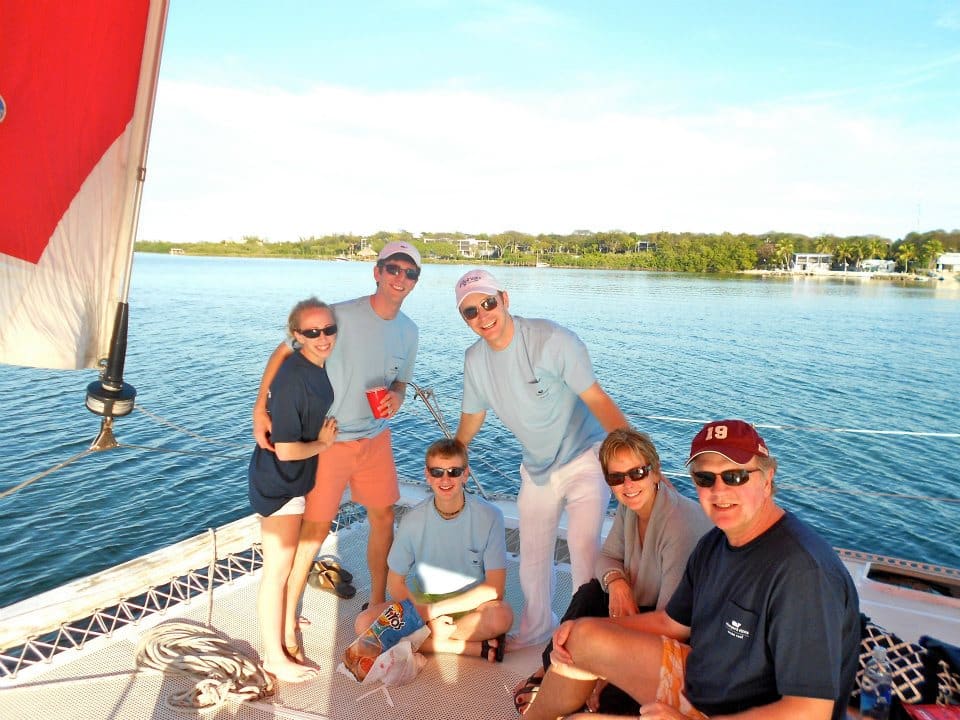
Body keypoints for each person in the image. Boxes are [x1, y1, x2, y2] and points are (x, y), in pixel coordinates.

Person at [521, 419, 861, 720]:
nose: (719, 490)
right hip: (699, 681)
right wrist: (587, 626)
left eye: (736, 476)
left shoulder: (803, 572)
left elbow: (811, 711)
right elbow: (671, 622)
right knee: (581, 636)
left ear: (768, 478)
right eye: (705, 477)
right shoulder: (714, 545)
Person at [452, 268, 630, 648]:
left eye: (488, 303)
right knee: (532, 553)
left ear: (505, 298)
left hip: (585, 455)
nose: (483, 315)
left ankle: (586, 636)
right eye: (471, 311)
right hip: (536, 466)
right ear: (464, 318)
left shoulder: (552, 339)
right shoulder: (474, 360)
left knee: (585, 550)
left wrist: (635, 454)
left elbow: (596, 398)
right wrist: (458, 449)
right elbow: (474, 412)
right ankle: (537, 628)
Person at [253, 241, 420, 634]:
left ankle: (378, 601)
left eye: (410, 273)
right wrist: (260, 408)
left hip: (375, 439)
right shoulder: (339, 316)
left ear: (415, 282)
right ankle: (289, 616)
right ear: (377, 272)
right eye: (393, 269)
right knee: (313, 532)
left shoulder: (409, 331)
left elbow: (402, 381)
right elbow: (283, 351)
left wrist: (396, 395)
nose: (401, 278)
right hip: (330, 440)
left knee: (383, 519)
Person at [514, 427, 712, 714]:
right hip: (641, 612)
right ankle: (549, 673)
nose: (628, 485)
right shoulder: (630, 507)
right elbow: (606, 557)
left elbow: (672, 627)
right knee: (591, 592)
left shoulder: (679, 526)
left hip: (675, 631)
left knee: (610, 701)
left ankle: (578, 680)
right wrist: (617, 581)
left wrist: (607, 676)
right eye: (616, 478)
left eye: (637, 473)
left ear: (655, 472)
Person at [354, 438, 513, 662]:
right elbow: (395, 582)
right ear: (427, 475)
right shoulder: (413, 520)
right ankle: (466, 647)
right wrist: (424, 616)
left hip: (470, 603)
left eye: (454, 471)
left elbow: (494, 588)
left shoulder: (490, 516)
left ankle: (425, 640)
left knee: (501, 617)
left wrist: (434, 614)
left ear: (465, 474)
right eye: (437, 472)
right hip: (422, 604)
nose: (445, 479)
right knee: (363, 623)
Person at [247, 297, 339, 682]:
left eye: (328, 329)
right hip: (279, 482)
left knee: (282, 570)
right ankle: (273, 657)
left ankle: (283, 620)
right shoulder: (293, 380)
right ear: (297, 335)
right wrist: (323, 443)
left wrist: (257, 402)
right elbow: (285, 451)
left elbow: (279, 350)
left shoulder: (309, 361)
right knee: (277, 571)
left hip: (292, 480)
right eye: (312, 332)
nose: (323, 338)